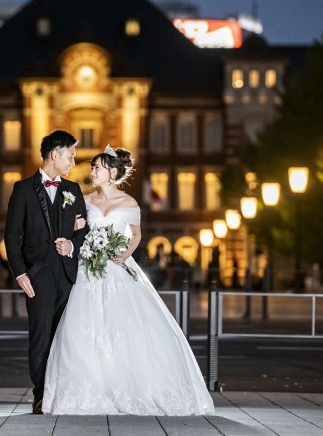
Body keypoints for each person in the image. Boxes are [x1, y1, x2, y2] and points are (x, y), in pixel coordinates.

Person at [43, 145, 215, 416]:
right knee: (84, 326)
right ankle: (90, 388)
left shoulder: (130, 203)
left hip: (117, 266)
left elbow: (135, 235)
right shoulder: (84, 200)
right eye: (92, 168)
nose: (92, 172)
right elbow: (77, 231)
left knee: (125, 325)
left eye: (97, 168)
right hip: (89, 269)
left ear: (112, 173)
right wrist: (76, 230)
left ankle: (128, 386)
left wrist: (124, 255)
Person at [4, 130, 88, 414]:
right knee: (40, 335)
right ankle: (41, 395)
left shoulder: (73, 190)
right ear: (55, 154)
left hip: (68, 275)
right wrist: (20, 273)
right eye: (70, 156)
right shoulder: (23, 190)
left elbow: (84, 232)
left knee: (65, 338)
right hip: (37, 276)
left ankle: (62, 393)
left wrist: (72, 244)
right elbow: (12, 236)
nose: (73, 162)